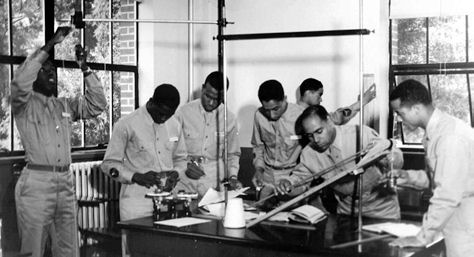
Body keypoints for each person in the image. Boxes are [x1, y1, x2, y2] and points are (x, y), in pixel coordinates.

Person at [12, 27, 107, 257]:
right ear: (35, 76)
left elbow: (97, 104)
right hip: (36, 182)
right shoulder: (23, 103)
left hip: (65, 181)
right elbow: (20, 80)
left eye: (53, 69)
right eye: (45, 70)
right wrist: (51, 44)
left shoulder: (64, 105)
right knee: (32, 250)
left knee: (68, 249)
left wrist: (84, 68)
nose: (51, 73)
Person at [388, 79, 474, 257]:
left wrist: (422, 237)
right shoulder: (437, 132)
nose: (400, 119)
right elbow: (441, 178)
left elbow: (447, 193)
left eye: (400, 113)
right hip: (454, 222)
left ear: (416, 109)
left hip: (466, 228)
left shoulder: (449, 137)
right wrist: (408, 176)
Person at [276, 105, 404, 219]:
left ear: (329, 121)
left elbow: (394, 157)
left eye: (319, 131)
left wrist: (391, 159)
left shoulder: (361, 134)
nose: (316, 139)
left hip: (383, 211)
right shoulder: (309, 153)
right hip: (347, 213)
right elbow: (300, 180)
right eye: (310, 135)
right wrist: (288, 183)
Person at [101, 84, 187, 221]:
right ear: (151, 102)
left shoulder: (175, 125)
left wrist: (176, 173)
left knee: (168, 242)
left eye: (169, 115)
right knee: (136, 242)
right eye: (160, 113)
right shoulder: (127, 124)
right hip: (137, 203)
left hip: (168, 200)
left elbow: (181, 159)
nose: (163, 119)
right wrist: (136, 176)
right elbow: (108, 165)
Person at [174, 71, 241, 198]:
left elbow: (233, 154)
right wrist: (185, 166)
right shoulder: (183, 113)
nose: (211, 103)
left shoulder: (229, 118)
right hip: (185, 181)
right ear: (203, 88)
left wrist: (233, 177)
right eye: (208, 96)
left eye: (216, 99)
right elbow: (171, 149)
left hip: (213, 182)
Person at [251, 80, 304, 204]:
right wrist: (259, 170)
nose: (271, 115)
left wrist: (296, 180)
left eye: (276, 109)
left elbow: (309, 153)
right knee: (261, 215)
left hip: (291, 177)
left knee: (290, 217)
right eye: (266, 110)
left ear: (284, 99)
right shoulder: (259, 115)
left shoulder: (301, 115)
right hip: (267, 177)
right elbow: (258, 146)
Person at [297, 78, 376, 125]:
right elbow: (336, 118)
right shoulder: (307, 117)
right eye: (319, 94)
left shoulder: (312, 114)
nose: (321, 99)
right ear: (308, 93)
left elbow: (336, 117)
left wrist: (361, 102)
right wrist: (362, 102)